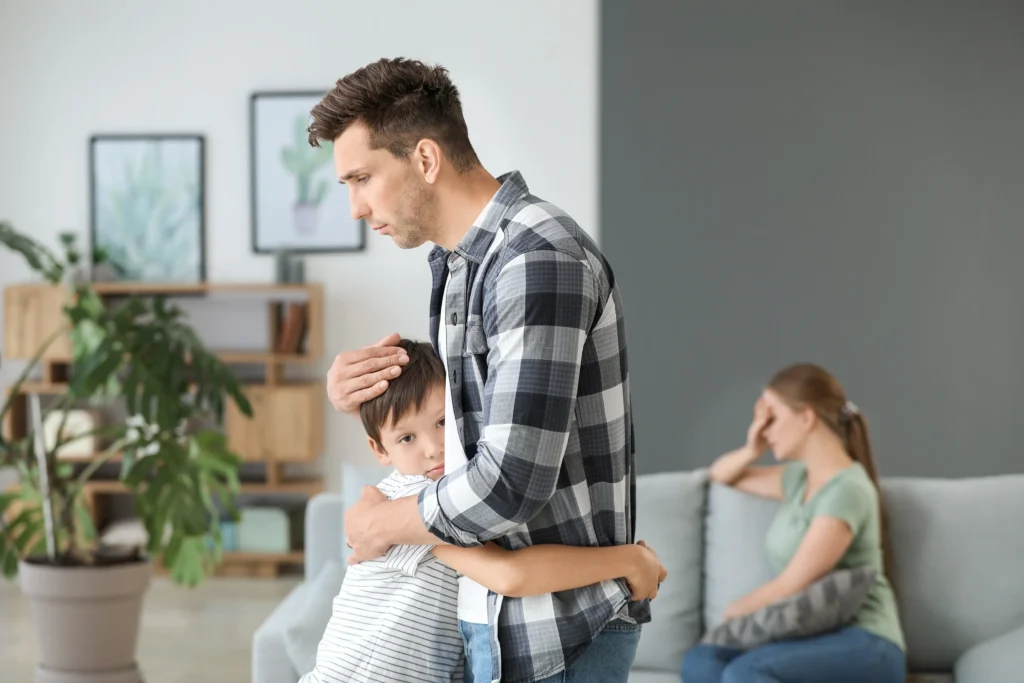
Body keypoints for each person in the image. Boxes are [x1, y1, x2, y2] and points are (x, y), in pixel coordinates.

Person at [310, 57, 648, 683]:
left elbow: (509, 483)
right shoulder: (463, 262)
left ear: (426, 160)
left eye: (362, 178)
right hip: (495, 622)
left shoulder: (535, 259)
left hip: (560, 633)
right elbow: (464, 435)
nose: (355, 207)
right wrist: (355, 394)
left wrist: (387, 523)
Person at [300, 340, 665, 683]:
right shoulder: (419, 498)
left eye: (442, 422)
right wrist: (629, 561)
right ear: (380, 450)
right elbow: (510, 576)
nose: (433, 448)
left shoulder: (408, 495)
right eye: (407, 438)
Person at [681, 363, 906, 683]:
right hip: (809, 637)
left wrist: (734, 611)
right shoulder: (797, 479)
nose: (764, 428)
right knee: (702, 661)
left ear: (806, 417)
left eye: (771, 417)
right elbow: (720, 476)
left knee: (746, 673)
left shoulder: (848, 489)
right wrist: (751, 448)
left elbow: (792, 584)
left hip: (866, 643)